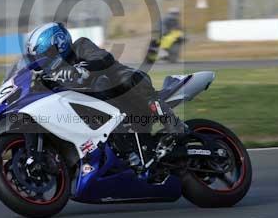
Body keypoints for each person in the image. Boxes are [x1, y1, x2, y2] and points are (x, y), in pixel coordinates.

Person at [24, 22, 187, 134]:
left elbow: (103, 58)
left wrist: (83, 69)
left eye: (45, 54)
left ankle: (173, 124)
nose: (42, 60)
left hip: (124, 95)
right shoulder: (50, 73)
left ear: (58, 44)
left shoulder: (80, 46)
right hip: (90, 117)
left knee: (122, 80)